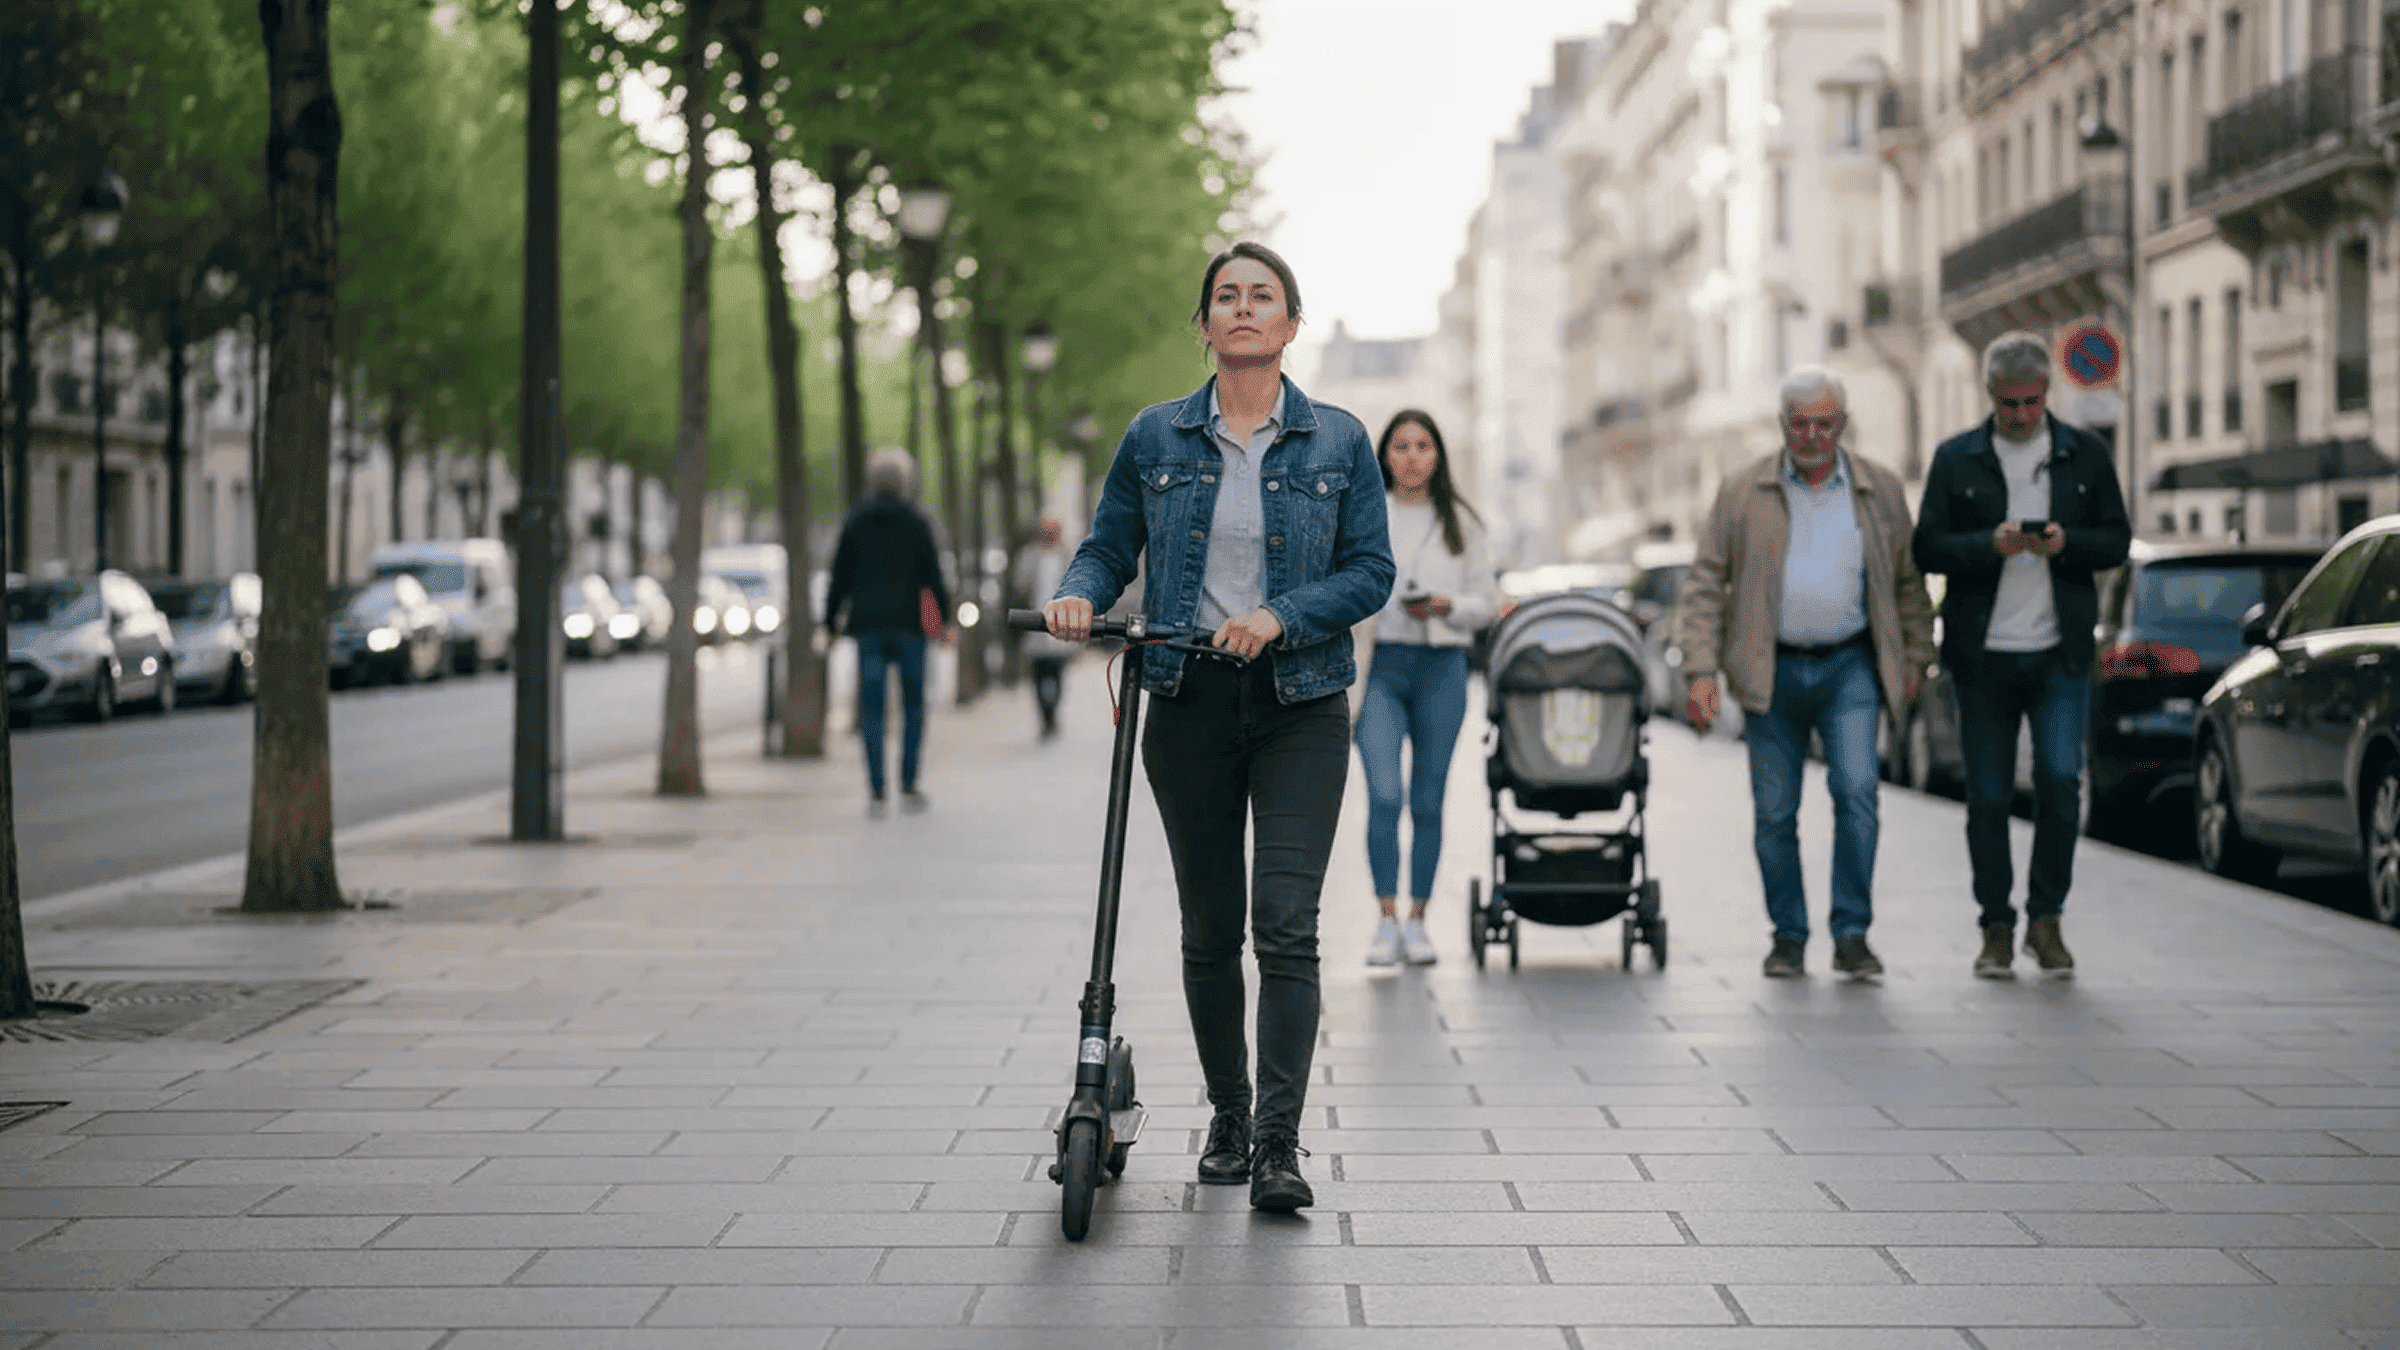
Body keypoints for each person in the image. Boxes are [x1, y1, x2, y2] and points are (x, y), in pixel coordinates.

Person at [1043, 241, 1394, 1213]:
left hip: (1301, 704)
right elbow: (1111, 543)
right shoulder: (1157, 437)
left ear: (1289, 325)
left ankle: (1279, 1143)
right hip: (1188, 699)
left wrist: (1283, 615)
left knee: (1286, 926)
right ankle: (1230, 1118)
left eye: (1263, 297)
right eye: (1226, 297)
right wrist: (1079, 595)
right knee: (1210, 928)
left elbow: (1371, 571)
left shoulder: (1339, 442)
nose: (1244, 309)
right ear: (1205, 325)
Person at [1678, 366, 1935, 981]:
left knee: (1856, 793)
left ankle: (1852, 934)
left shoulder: (1881, 489)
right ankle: (1788, 936)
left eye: (1825, 424)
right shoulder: (1742, 491)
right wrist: (1700, 670)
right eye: (1801, 424)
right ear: (1782, 426)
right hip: (1771, 669)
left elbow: (1907, 584)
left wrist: (1917, 657)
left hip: (1851, 665)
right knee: (1774, 813)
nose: (1813, 436)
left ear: (1843, 425)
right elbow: (1706, 584)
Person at [1913, 331, 2130, 980]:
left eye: (2034, 402)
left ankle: (2046, 919)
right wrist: (1990, 544)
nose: (2023, 415)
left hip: (2058, 653)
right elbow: (1927, 549)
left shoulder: (2084, 454)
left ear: (2048, 395)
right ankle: (1996, 928)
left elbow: (2116, 540)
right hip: (1982, 657)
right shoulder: (1956, 460)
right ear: (1991, 398)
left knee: (2062, 785)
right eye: (2010, 405)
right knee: (1987, 796)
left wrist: (2066, 542)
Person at [1357, 410, 1498, 968]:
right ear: (1384, 455)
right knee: (1385, 795)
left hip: (1443, 667)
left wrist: (1446, 607)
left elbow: (1489, 603)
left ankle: (1419, 920)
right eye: (1400, 445)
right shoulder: (1366, 513)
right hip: (1381, 669)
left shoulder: (1461, 521)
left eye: (1422, 445)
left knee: (1429, 802)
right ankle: (1385, 919)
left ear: (1438, 455)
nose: (1412, 456)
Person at [824, 446, 950, 818]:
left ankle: (877, 788)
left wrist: (830, 621)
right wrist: (944, 619)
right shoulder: (917, 522)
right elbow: (933, 575)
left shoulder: (856, 521)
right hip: (909, 626)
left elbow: (839, 576)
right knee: (914, 705)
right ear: (905, 481)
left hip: (868, 627)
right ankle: (908, 782)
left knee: (873, 710)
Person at [1016, 514, 1076, 738]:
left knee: (1058, 674)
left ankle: (1053, 713)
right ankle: (1044, 716)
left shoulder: (1067, 556)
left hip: (1060, 627)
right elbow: (1020, 586)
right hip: (1035, 625)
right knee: (1038, 675)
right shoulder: (1029, 556)